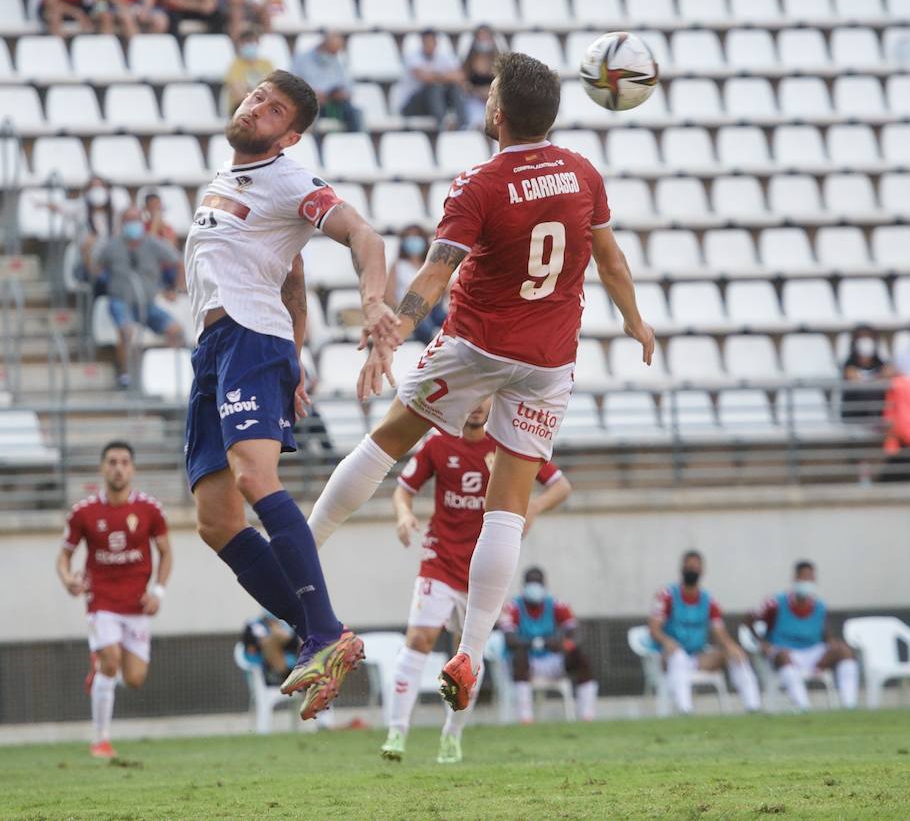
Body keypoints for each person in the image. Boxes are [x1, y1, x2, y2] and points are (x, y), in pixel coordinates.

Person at [304, 52, 656, 715]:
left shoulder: (481, 183)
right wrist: (636, 321)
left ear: (495, 113)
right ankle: (471, 649)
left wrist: (394, 330)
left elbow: (438, 272)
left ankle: (304, 547)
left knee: (388, 440)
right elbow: (609, 259)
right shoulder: (583, 174)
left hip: (478, 345)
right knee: (509, 503)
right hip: (548, 360)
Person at [184, 68, 401, 719]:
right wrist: (298, 357)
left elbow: (363, 235)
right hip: (217, 350)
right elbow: (293, 273)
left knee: (256, 478)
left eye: (273, 109)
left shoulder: (290, 180)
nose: (255, 108)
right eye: (256, 97)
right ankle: (322, 634)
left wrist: (371, 302)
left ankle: (325, 632)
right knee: (216, 522)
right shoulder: (229, 181)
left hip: (250, 339)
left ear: (291, 135)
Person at [379, 400, 571, 764]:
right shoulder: (437, 442)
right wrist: (404, 514)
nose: (477, 406)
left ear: (493, 401)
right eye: (474, 396)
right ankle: (397, 732)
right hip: (440, 558)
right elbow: (402, 489)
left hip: (483, 568)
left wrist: (534, 507)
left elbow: (561, 487)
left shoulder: (510, 443)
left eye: (485, 397)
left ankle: (452, 735)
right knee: (419, 638)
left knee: (469, 654)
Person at [56, 440, 173, 759]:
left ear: (132, 469)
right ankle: (101, 739)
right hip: (101, 601)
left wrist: (158, 592)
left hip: (136, 605)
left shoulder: (150, 510)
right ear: (102, 468)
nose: (118, 468)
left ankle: (100, 674)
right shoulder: (84, 513)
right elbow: (63, 558)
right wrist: (69, 580)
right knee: (110, 659)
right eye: (112, 462)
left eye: (124, 462)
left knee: (134, 678)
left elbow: (165, 553)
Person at [648, 551, 761, 715]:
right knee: (678, 656)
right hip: (669, 657)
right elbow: (654, 629)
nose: (692, 570)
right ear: (682, 568)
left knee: (735, 655)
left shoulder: (709, 600)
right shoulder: (666, 595)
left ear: (702, 571)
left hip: (697, 657)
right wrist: (666, 641)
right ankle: (685, 709)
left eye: (696, 567)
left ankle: (753, 706)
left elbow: (720, 633)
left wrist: (732, 647)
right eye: (689, 566)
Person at [93, 206, 185, 389]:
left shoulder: (153, 243)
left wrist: (174, 288)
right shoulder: (112, 245)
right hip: (120, 300)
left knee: (176, 331)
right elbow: (95, 264)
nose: (132, 225)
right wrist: (104, 283)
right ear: (122, 223)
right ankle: (126, 376)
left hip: (147, 302)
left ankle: (163, 377)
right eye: (128, 220)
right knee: (126, 331)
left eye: (136, 220)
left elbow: (179, 261)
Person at [748, 561, 860, 711]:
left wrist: (832, 642)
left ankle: (849, 704)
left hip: (813, 653)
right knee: (782, 655)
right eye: (804, 578)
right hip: (785, 653)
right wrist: (762, 642)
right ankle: (803, 706)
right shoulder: (775, 603)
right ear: (795, 579)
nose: (807, 582)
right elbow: (749, 619)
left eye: (811, 578)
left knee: (845, 651)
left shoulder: (819, 606)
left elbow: (825, 633)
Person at [499, 566, 598, 725]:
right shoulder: (513, 607)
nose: (535, 587)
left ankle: (587, 715)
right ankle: (526, 718)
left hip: (553, 660)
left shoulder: (557, 604)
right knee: (519, 656)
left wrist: (566, 644)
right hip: (527, 664)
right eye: (531, 583)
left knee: (582, 657)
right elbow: (509, 639)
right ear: (524, 586)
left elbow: (577, 632)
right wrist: (540, 642)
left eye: (538, 583)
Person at [395, 30, 467, 131]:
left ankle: (464, 125)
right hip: (412, 104)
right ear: (422, 43)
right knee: (434, 88)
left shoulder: (443, 57)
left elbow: (460, 76)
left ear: (436, 43)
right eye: (426, 42)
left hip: (433, 103)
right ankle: (442, 126)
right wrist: (445, 76)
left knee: (454, 89)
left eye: (430, 42)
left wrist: (437, 76)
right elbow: (425, 78)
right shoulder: (412, 57)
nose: (428, 45)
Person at [292, 30, 363, 132]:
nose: (333, 55)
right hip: (311, 104)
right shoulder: (302, 59)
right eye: (331, 51)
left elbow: (349, 89)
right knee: (309, 114)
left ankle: (356, 143)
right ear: (323, 46)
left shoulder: (339, 61)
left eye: (335, 52)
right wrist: (311, 94)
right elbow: (292, 85)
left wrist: (341, 94)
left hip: (334, 104)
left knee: (356, 114)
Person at [386, 224, 446, 343]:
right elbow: (388, 295)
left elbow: (444, 287)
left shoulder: (432, 264)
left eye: (416, 237)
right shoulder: (398, 266)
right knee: (425, 328)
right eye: (409, 237)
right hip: (409, 311)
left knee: (449, 321)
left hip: (433, 308)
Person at [841, 324, 892, 424]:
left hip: (879, 416)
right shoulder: (849, 365)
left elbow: (889, 374)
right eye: (862, 339)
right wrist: (878, 379)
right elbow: (855, 381)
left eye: (869, 338)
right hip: (855, 415)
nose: (866, 342)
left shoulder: (881, 364)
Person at [221, 28, 275, 116]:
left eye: (252, 42)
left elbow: (273, 90)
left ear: (258, 43)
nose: (249, 45)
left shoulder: (267, 64)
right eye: (246, 42)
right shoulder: (235, 66)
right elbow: (239, 94)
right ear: (240, 45)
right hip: (241, 110)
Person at [459, 25, 502, 130]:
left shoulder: (499, 61)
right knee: (476, 122)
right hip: (474, 100)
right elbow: (463, 84)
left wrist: (490, 94)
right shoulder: (469, 61)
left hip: (494, 100)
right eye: (481, 36)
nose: (484, 39)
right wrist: (476, 91)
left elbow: (503, 83)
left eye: (486, 36)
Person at [241, 612, 300, 686]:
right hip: (273, 659)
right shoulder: (255, 625)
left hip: (289, 653)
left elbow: (292, 641)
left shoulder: (283, 625)